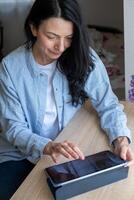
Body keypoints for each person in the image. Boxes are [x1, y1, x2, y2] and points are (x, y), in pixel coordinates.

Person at [0, 0, 134, 199]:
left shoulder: (82, 56)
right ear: (34, 28)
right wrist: (47, 145)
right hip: (19, 155)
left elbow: (108, 103)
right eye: (51, 36)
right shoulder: (10, 68)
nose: (60, 47)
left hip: (68, 148)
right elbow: (14, 128)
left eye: (68, 37)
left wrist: (121, 140)